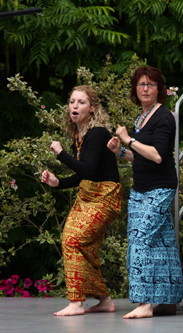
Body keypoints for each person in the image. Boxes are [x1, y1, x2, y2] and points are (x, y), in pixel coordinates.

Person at [107, 67, 183, 319]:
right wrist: (120, 150)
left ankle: (145, 303)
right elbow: (139, 157)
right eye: (141, 85)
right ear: (135, 90)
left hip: (160, 188)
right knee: (162, 242)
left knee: (140, 241)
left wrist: (128, 139)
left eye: (150, 84)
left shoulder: (163, 117)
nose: (145, 89)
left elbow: (158, 156)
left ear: (159, 89)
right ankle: (168, 302)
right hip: (140, 189)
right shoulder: (142, 117)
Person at [42, 85, 121, 316]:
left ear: (92, 108)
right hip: (87, 194)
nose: (75, 106)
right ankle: (105, 300)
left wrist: (60, 154)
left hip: (104, 197)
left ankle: (76, 302)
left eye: (81, 102)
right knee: (84, 249)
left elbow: (87, 170)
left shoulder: (97, 133)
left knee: (72, 239)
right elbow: (84, 175)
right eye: (72, 102)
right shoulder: (80, 134)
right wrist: (59, 183)